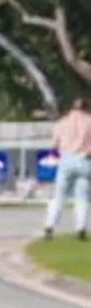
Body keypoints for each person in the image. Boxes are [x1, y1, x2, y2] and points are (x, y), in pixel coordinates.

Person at [48, 99, 91, 237]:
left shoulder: (62, 123)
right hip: (85, 159)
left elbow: (54, 144)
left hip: (66, 159)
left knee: (59, 195)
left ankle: (50, 225)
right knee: (82, 197)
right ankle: (81, 228)